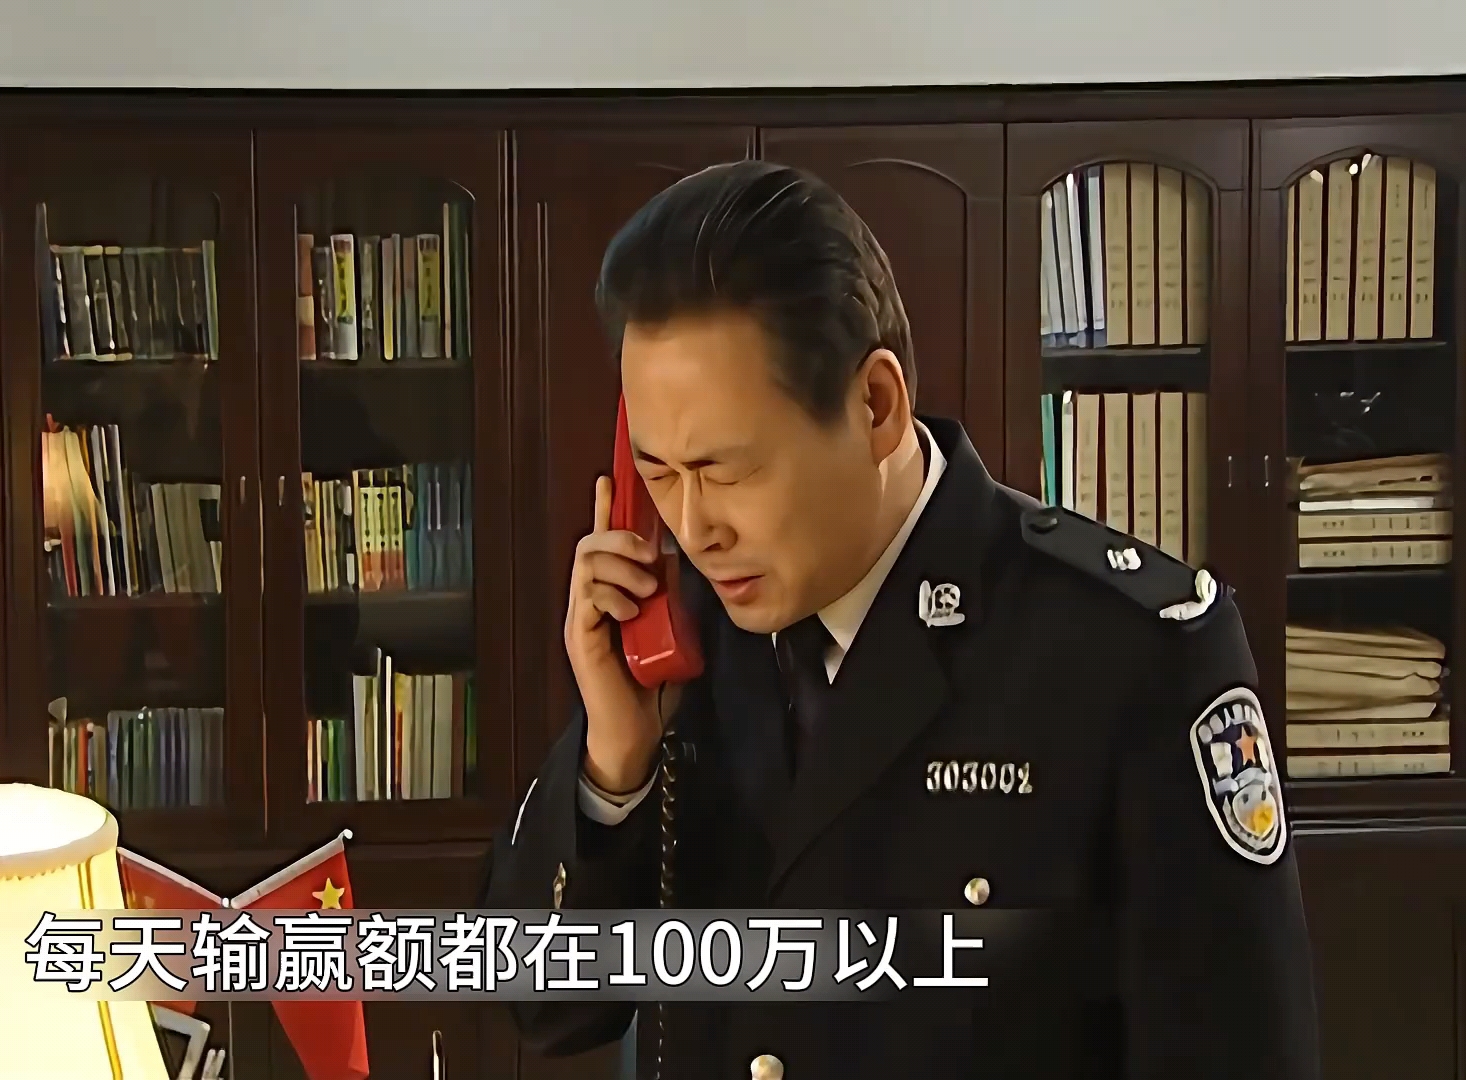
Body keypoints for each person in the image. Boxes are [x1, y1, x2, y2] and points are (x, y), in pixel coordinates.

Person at [481, 161, 1321, 1079]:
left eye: (728, 470)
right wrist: (613, 764)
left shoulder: (1128, 656)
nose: (693, 526)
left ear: (875, 406)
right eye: (657, 473)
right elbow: (544, 1009)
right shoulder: (686, 637)